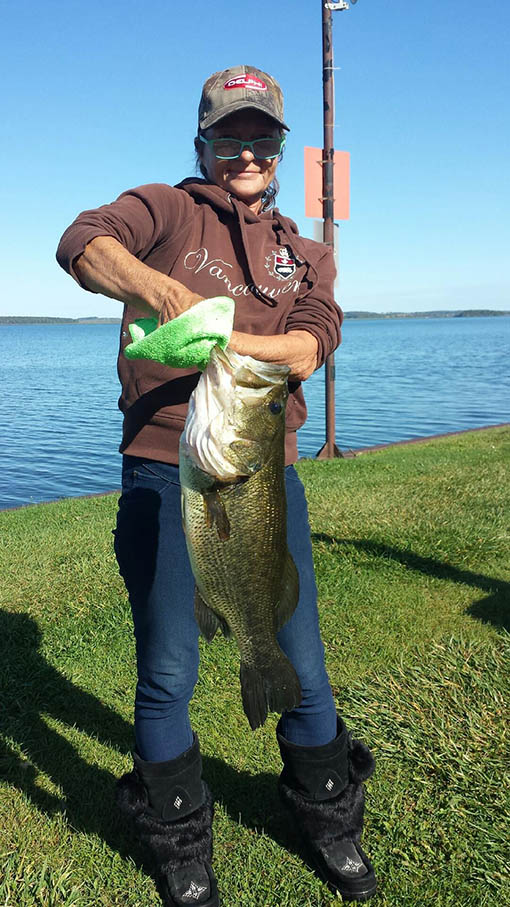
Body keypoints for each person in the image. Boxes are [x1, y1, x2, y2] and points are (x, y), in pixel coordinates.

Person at [56, 65, 376, 907]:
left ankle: (331, 820)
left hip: (262, 478)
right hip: (168, 475)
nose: (245, 152)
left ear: (278, 148)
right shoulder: (165, 208)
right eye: (229, 136)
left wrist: (223, 341)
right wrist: (163, 293)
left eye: (261, 138)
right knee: (168, 669)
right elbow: (82, 242)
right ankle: (179, 837)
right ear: (203, 141)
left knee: (301, 665)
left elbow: (310, 347)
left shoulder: (306, 254)